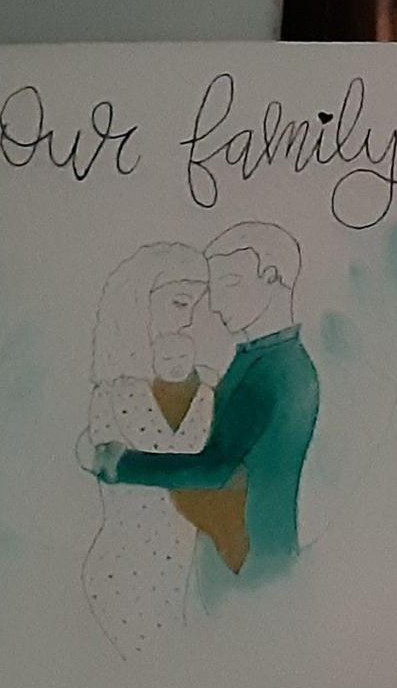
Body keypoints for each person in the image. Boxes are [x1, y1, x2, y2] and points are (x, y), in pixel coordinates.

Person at [89, 221, 318, 580]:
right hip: (235, 553)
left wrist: (123, 464)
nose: (213, 303)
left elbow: (214, 470)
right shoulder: (260, 359)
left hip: (250, 561)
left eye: (228, 284)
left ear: (272, 277)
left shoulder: (275, 370)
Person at [78, 244, 215, 657]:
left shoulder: (214, 388)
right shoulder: (114, 394)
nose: (190, 318)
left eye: (199, 305)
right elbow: (101, 464)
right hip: (128, 574)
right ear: (139, 306)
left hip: (198, 576)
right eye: (179, 303)